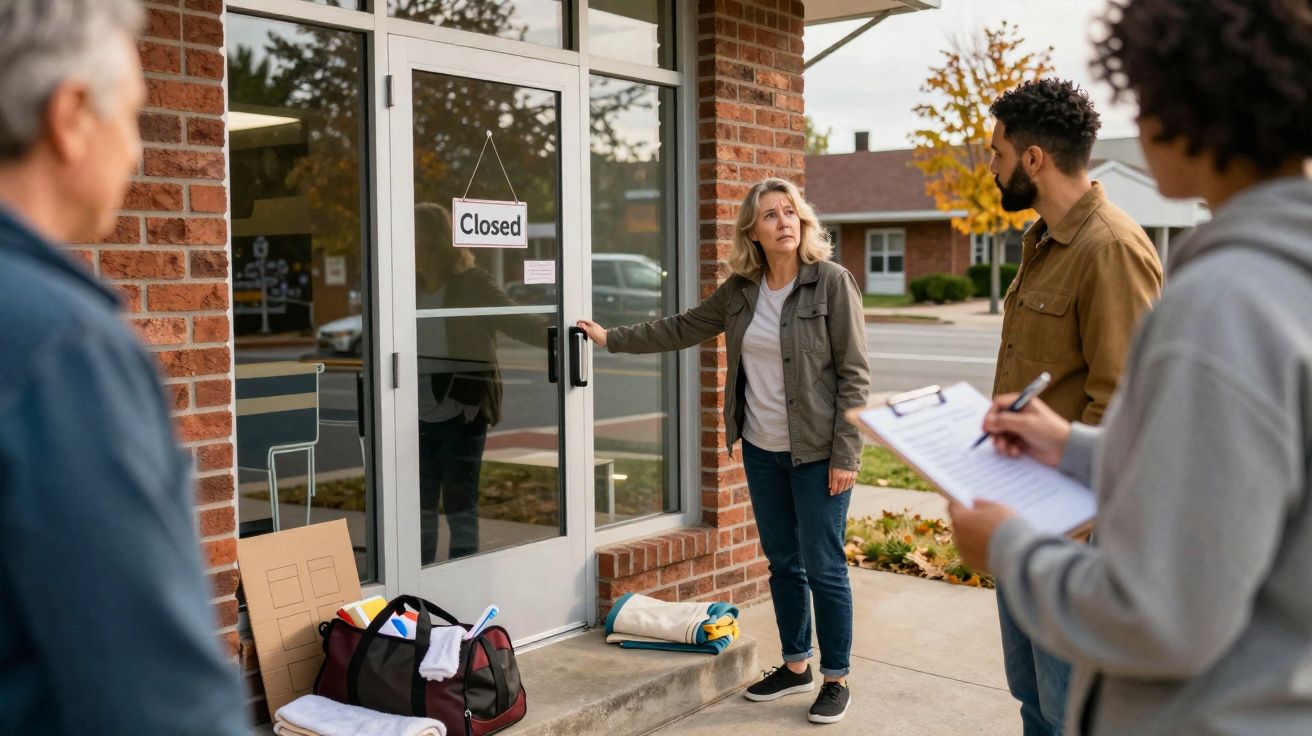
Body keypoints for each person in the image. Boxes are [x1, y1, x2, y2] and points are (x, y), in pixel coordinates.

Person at [950, 1, 1312, 733]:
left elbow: (1163, 616)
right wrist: (1070, 446)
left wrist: (1010, 546)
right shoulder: (1279, 274)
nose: (1138, 125)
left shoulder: (1223, 300)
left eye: (1145, 98)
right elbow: (1226, 465)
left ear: (1196, 109)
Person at [0, 0, 246, 732]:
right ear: (71, 114)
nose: (137, 151)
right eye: (133, 116)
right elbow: (159, 700)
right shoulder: (62, 350)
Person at [577, 178, 869, 724]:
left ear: (802, 222)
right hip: (761, 448)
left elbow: (854, 377)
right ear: (751, 231)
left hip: (818, 453)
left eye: (791, 212)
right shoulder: (740, 291)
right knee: (783, 563)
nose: (784, 221)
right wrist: (611, 338)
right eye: (770, 215)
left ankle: (836, 677)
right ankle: (797, 665)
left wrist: (846, 456)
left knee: (824, 566)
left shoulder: (831, 283)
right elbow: (683, 327)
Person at [985, 77, 1164, 734]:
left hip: (1072, 536)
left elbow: (1125, 407)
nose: (991, 167)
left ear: (1034, 159)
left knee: (1071, 715)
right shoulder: (1042, 241)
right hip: (1026, 511)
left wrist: (1067, 527)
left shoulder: (1111, 248)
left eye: (997, 152)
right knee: (1033, 699)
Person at [413, 203, 548, 563]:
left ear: (433, 238)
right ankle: (417, 584)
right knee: (420, 506)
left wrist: (562, 335)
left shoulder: (470, 283)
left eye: (413, 232)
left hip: (463, 408)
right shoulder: (406, 287)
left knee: (459, 503)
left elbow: (514, 320)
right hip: (415, 411)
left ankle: (462, 576)